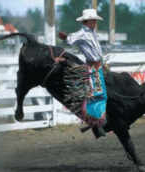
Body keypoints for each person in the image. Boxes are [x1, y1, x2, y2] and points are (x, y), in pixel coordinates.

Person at [58, 9, 107, 138]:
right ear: (88, 21)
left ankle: (98, 120)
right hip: (93, 67)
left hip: (98, 65)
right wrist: (65, 37)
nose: (95, 22)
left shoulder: (91, 32)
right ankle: (97, 123)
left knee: (100, 93)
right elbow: (70, 39)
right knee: (97, 93)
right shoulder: (82, 33)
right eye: (94, 20)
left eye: (95, 20)